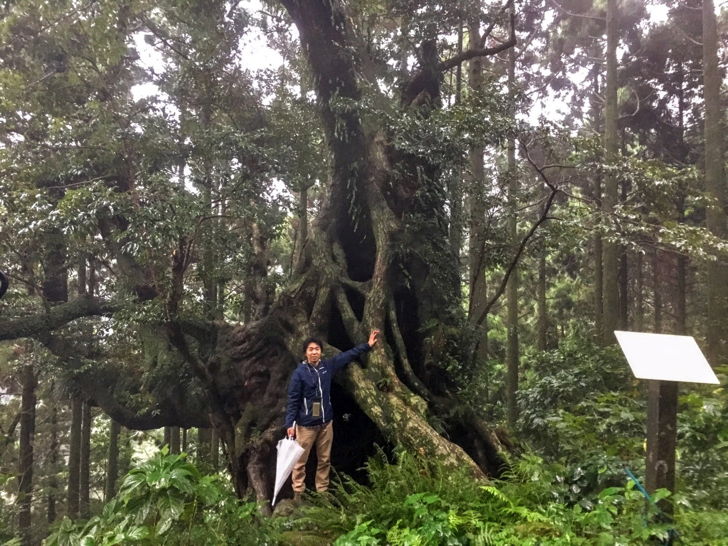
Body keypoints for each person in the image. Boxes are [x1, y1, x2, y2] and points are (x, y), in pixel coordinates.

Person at [285, 330, 379, 499]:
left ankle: (323, 492)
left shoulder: (326, 367)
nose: (314, 352)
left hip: (325, 424)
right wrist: (290, 425)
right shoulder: (299, 373)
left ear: (321, 352)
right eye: (311, 349)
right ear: (306, 352)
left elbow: (347, 356)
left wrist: (368, 345)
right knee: (300, 462)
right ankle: (298, 493)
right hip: (305, 425)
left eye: (317, 349)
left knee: (324, 460)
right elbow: (293, 400)